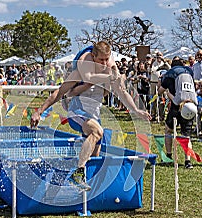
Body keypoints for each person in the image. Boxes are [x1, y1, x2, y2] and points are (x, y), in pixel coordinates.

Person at [30, 41, 151, 191]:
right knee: (97, 131)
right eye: (101, 60)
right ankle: (78, 173)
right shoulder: (80, 73)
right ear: (93, 57)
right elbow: (58, 93)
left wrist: (135, 110)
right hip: (77, 112)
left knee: (94, 156)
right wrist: (39, 111)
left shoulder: (110, 73)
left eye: (107, 59)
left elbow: (122, 93)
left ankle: (86, 193)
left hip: (94, 115)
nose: (105, 63)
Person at [158, 58, 198, 169]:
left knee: (168, 130)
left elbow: (160, 91)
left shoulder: (170, 73)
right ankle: (187, 161)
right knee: (186, 135)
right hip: (191, 106)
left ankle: (169, 156)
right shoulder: (189, 72)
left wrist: (163, 87)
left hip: (177, 106)